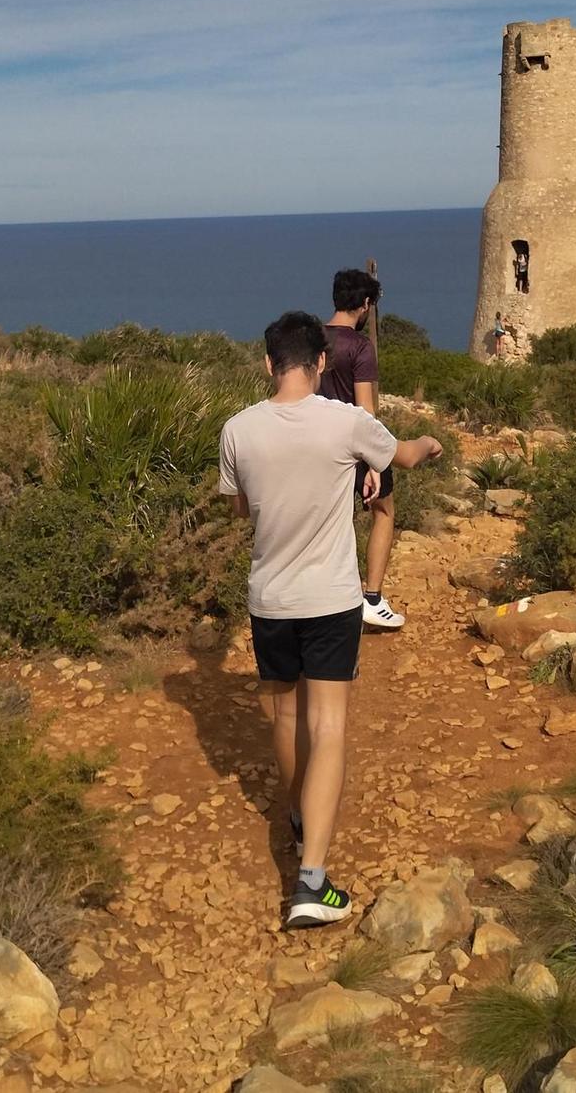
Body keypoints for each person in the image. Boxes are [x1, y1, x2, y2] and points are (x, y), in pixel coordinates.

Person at [219, 310, 442, 929]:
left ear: (268, 364)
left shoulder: (237, 430)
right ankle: (311, 882)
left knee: (286, 719)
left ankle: (296, 818)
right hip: (331, 599)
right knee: (330, 727)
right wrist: (425, 444)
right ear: (321, 362)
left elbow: (241, 509)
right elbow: (403, 456)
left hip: (270, 598)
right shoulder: (347, 422)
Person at [318, 268, 404, 631]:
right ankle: (371, 598)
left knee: (330, 522)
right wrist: (373, 461)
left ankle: (327, 599)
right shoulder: (359, 346)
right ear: (366, 304)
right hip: (354, 445)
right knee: (383, 510)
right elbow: (366, 410)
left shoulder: (311, 340)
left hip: (316, 443)